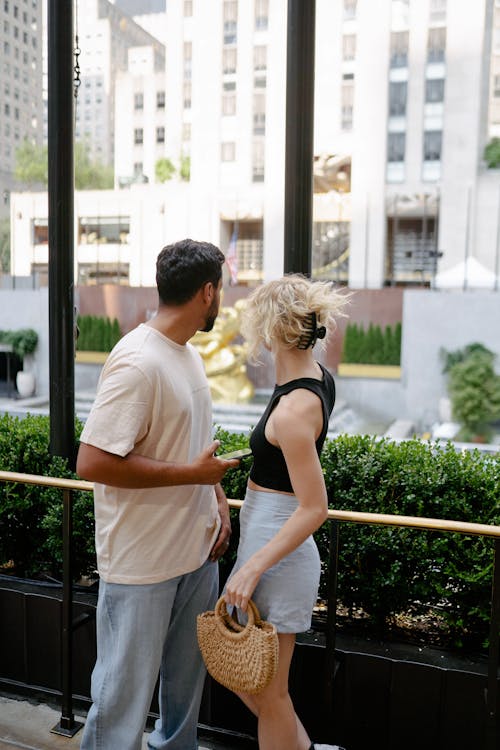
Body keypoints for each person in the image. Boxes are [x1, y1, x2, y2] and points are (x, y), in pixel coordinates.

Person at [77, 238, 240, 750]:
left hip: (194, 556)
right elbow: (93, 462)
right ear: (207, 292)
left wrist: (215, 498)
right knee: (121, 704)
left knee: (182, 705)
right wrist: (193, 476)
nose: (224, 301)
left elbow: (194, 446)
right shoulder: (138, 361)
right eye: (223, 290)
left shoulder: (185, 352)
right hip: (142, 565)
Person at [223, 274, 349, 750]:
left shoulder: (294, 409)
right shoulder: (315, 379)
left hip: (276, 551)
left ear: (272, 330)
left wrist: (254, 566)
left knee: (267, 691)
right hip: (270, 539)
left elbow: (315, 508)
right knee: (251, 681)